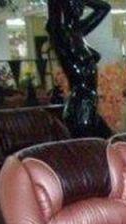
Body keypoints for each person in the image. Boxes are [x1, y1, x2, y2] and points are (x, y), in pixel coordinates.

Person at [46, 0, 111, 137]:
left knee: (111, 143)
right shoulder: (59, 32)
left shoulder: (78, 30)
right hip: (80, 105)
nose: (78, 4)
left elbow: (104, 8)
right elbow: (53, 16)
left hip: (90, 103)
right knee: (93, 146)